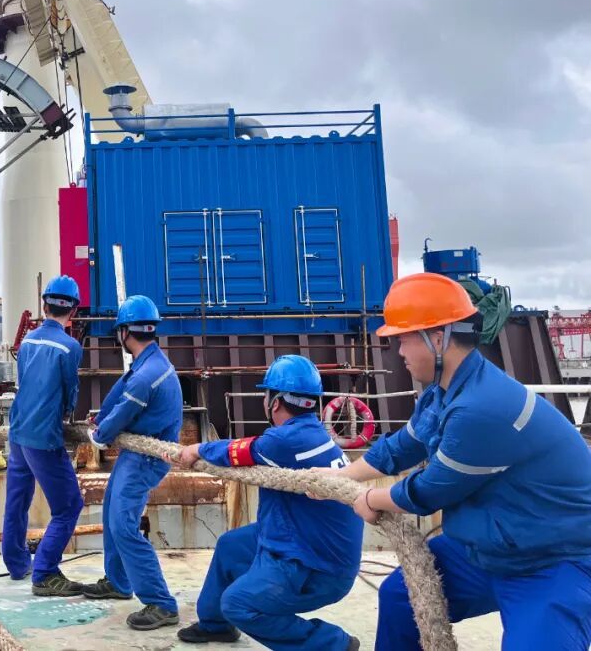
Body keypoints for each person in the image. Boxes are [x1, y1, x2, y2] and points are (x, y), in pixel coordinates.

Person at [329, 273, 591, 650]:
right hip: (489, 549)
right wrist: (341, 476)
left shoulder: (481, 407)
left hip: (552, 562)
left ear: (438, 338)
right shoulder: (443, 393)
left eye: (403, 338)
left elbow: (431, 490)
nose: (398, 351)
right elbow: (401, 448)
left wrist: (372, 499)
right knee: (402, 597)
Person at [172, 355, 362, 650]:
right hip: (307, 539)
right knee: (231, 546)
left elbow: (236, 451)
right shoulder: (312, 434)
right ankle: (215, 625)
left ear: (274, 402)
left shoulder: (286, 441)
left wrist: (196, 448)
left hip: (314, 565)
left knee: (238, 604)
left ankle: (334, 644)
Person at [80, 295, 183, 631]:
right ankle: (119, 581)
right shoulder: (148, 365)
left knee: (123, 525)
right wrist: (101, 418)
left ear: (124, 332)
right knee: (112, 511)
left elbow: (120, 414)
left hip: (145, 459)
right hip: (136, 455)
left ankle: (161, 603)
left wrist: (99, 433)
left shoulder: (145, 375)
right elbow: (119, 395)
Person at [2, 275, 85, 596]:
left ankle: (16, 564)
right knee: (68, 506)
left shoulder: (27, 342)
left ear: (44, 305)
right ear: (73, 310)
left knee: (17, 500)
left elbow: (25, 382)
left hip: (18, 430)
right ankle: (45, 571)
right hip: (44, 437)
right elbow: (69, 391)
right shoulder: (70, 347)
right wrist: (66, 416)